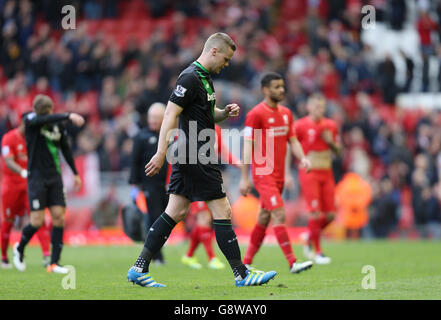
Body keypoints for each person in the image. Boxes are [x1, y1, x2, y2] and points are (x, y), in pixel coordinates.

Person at [127, 32, 277, 288]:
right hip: (196, 152)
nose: (226, 65)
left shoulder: (204, 79)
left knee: (176, 210)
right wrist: (161, 151)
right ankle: (241, 274)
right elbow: (170, 114)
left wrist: (223, 113)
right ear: (214, 51)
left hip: (192, 152)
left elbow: (207, 116)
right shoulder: (189, 77)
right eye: (226, 59)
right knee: (223, 210)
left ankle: (139, 268)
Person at [239, 72, 313, 274]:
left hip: (280, 175)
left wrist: (303, 157)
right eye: (276, 87)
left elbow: (293, 140)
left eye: (282, 86)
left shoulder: (287, 114)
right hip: (263, 174)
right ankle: (292, 262)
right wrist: (245, 177)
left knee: (263, 218)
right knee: (279, 214)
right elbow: (247, 145)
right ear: (265, 90)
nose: (281, 90)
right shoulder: (255, 114)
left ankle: (245, 263)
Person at [12, 94, 85, 274]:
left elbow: (65, 149)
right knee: (36, 221)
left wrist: (75, 172)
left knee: (59, 216)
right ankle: (19, 248)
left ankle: (54, 262)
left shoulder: (57, 125)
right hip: (36, 177)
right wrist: (68, 115)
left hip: (54, 176)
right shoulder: (31, 121)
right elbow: (42, 119)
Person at [181, 124, 239, 270]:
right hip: (194, 177)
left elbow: (222, 151)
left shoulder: (217, 128)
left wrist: (238, 163)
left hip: (209, 177)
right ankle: (212, 258)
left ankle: (188, 255)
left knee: (206, 219)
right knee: (204, 218)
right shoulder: (191, 126)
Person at [294, 93, 341, 264]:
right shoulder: (300, 125)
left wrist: (330, 142)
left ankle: (309, 237)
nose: (319, 110)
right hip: (310, 172)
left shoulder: (330, 126)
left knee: (330, 215)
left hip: (326, 172)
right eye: (315, 106)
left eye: (321, 107)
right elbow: (291, 143)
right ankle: (318, 252)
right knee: (314, 212)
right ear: (308, 107)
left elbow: (338, 151)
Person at [1, 113, 51, 269]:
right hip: (11, 187)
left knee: (38, 219)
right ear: (23, 124)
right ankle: (4, 257)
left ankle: (46, 256)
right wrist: (22, 171)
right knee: (8, 221)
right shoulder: (8, 138)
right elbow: (8, 161)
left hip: (31, 186)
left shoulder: (35, 139)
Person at [129, 102, 169, 265]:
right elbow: (134, 162)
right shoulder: (141, 137)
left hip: (168, 186)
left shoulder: (171, 136)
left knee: (166, 220)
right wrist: (134, 185)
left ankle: (155, 253)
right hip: (149, 185)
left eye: (156, 118)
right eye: (151, 117)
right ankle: (156, 256)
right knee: (155, 218)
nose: (153, 120)